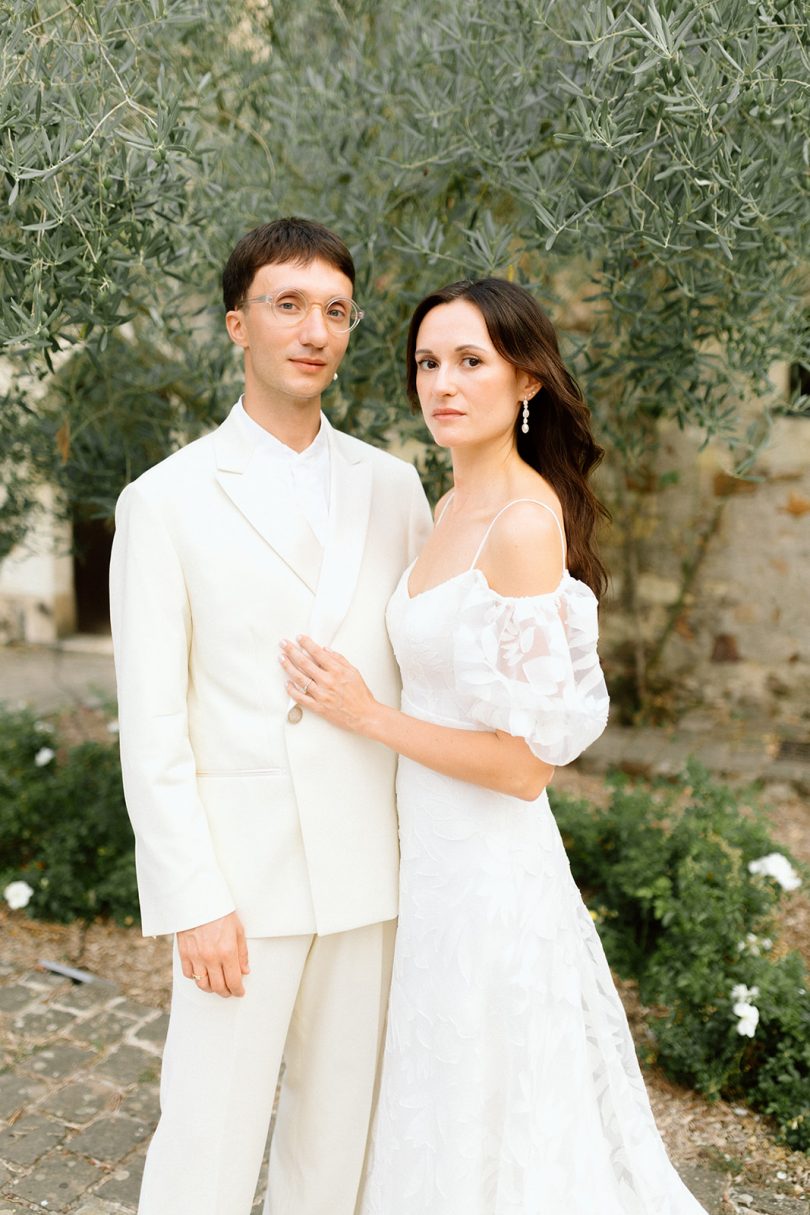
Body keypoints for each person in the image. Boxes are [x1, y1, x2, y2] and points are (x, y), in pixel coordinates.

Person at [281, 277, 709, 1214]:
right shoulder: (446, 506)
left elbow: (525, 769)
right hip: (427, 857)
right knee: (441, 1095)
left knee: (495, 1103)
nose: (443, 382)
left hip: (486, 868)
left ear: (527, 381)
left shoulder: (519, 526)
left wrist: (368, 716)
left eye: (471, 361)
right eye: (428, 362)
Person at [108, 217, 432, 1215]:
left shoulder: (394, 484)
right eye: (287, 305)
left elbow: (419, 672)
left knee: (335, 1147)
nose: (315, 330)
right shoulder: (166, 502)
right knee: (206, 1142)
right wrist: (192, 897)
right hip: (241, 883)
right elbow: (153, 725)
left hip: (370, 877)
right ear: (236, 325)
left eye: (335, 310)